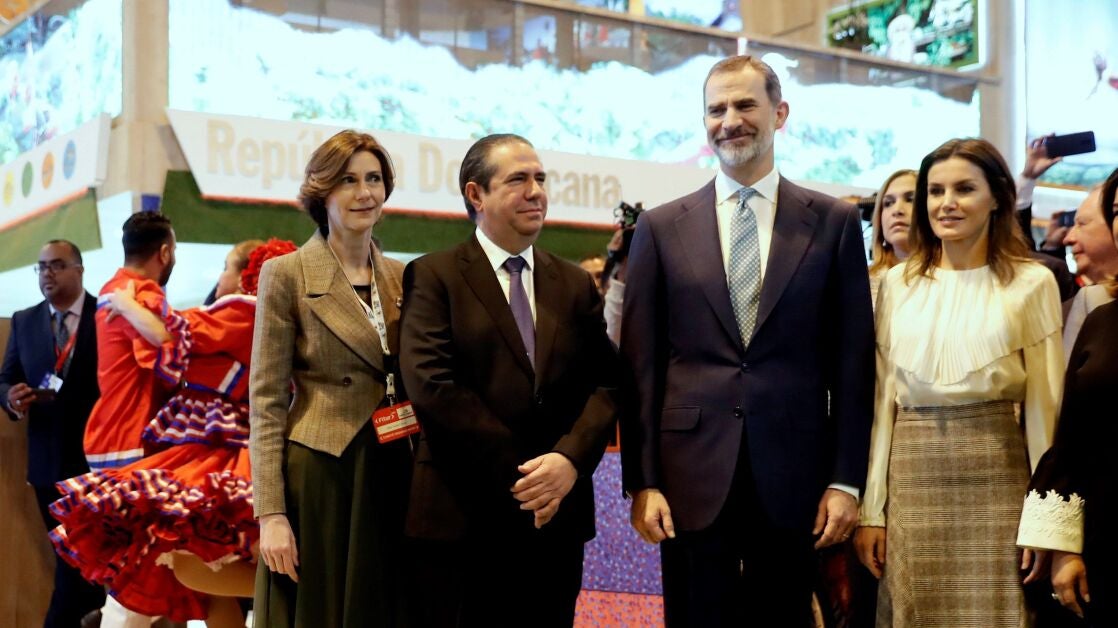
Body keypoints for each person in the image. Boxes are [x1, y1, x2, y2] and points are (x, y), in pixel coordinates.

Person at [620, 55, 875, 626]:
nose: (729, 120)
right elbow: (640, 365)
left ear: (779, 113)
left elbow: (853, 367)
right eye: (716, 109)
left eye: (744, 105)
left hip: (796, 477)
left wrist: (845, 481)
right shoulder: (660, 227)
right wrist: (643, 481)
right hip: (687, 478)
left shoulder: (833, 222)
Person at [400, 133, 619, 627]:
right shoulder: (434, 276)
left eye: (540, 178)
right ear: (475, 194)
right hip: (463, 521)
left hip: (555, 522)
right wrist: (529, 476)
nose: (535, 191)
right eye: (518, 179)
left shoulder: (574, 283)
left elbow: (607, 384)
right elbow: (432, 386)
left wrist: (567, 461)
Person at [855, 138, 1064, 626]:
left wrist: (1048, 524)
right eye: (935, 191)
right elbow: (882, 404)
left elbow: (1045, 413)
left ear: (997, 198)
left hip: (1000, 482)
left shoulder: (1033, 282)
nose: (946, 203)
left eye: (964, 189)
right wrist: (872, 511)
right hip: (911, 484)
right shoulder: (897, 284)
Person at [49, 239, 293, 627]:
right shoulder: (264, 318)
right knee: (204, 568)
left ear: (248, 277)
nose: (220, 277)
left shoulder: (242, 312)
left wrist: (128, 305)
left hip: (222, 449)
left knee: (193, 560)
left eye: (227, 267)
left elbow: (172, 335)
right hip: (217, 444)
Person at [249, 130, 413, 626]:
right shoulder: (287, 274)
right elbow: (266, 402)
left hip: (393, 466)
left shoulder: (402, 276)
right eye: (348, 180)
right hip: (323, 474)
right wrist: (271, 514)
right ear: (322, 192)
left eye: (374, 179)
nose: (365, 193)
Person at [1018, 166, 1118, 626]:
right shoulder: (1102, 320)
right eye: (1116, 210)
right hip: (1102, 536)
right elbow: (1071, 439)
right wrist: (1061, 544)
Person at [77, 211, 180, 628]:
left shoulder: (112, 288)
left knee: (131, 570)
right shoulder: (141, 294)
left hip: (111, 437)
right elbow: (169, 351)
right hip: (133, 441)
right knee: (139, 573)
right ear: (165, 252)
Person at [0, 240, 105, 627]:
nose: (47, 274)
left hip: (97, 464)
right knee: (72, 558)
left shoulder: (105, 316)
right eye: (41, 267)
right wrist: (11, 398)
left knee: (83, 559)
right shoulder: (24, 320)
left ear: (79, 269)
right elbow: (6, 378)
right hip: (46, 464)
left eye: (57, 265)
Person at [868, 169, 917, 307]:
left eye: (910, 200)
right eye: (888, 203)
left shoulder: (952, 277)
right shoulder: (861, 280)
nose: (897, 210)